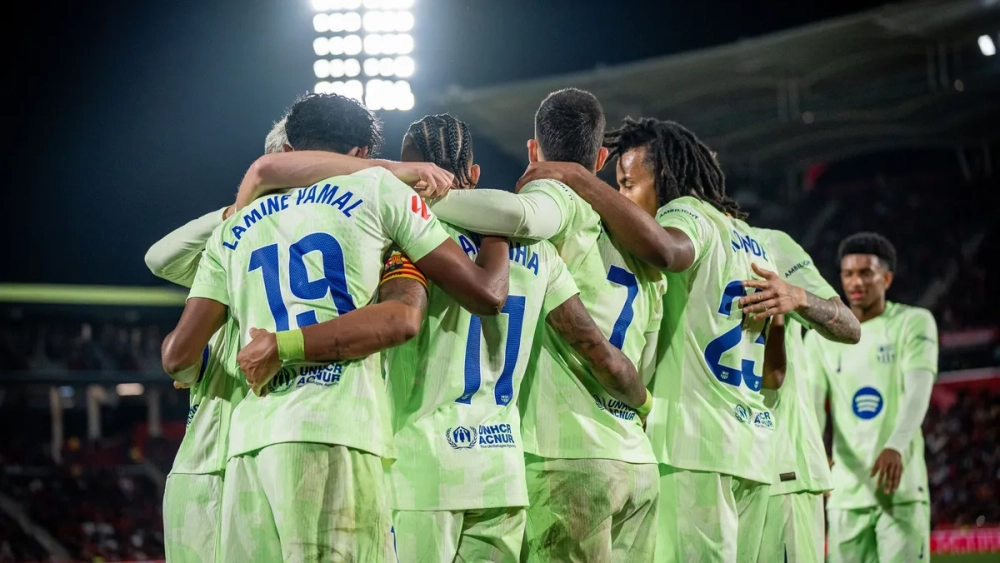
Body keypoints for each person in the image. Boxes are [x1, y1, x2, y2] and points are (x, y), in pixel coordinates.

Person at [159, 92, 511, 562]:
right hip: (337, 427)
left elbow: (178, 353)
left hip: (247, 447)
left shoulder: (234, 227)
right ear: (364, 154)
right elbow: (482, 294)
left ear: (292, 150)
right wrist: (501, 226)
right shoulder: (382, 190)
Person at [514, 117, 794, 562]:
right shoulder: (750, 241)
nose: (621, 197)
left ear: (665, 179)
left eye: (627, 185)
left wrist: (579, 177)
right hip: (753, 446)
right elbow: (774, 374)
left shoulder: (683, 214)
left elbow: (668, 250)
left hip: (693, 445)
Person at [384, 114, 645, 562]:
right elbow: (589, 340)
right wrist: (643, 401)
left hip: (424, 468)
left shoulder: (408, 234)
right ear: (476, 175)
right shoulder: (537, 249)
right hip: (501, 471)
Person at [144, 119, 291, 563]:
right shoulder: (233, 245)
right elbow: (159, 258)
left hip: (276, 450)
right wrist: (241, 212)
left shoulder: (338, 239)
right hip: (210, 462)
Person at [805, 232, 937, 562]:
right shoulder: (821, 338)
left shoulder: (912, 322)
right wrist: (816, 454)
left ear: (887, 278)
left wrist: (896, 445)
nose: (856, 282)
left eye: (866, 273)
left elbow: (918, 390)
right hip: (846, 495)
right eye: (848, 274)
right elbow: (812, 404)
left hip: (901, 491)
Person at [742, 228, 862, 563]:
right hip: (716, 466)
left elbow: (850, 327)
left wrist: (799, 297)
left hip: (781, 471)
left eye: (630, 184)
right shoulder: (665, 243)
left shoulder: (769, 245)